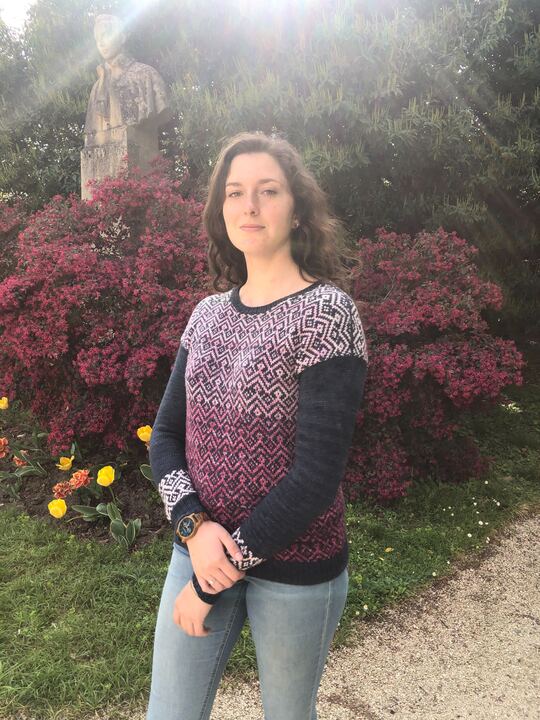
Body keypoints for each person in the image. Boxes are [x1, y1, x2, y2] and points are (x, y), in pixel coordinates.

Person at [146, 131, 369, 720]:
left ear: (296, 209)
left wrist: (214, 576)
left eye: (268, 191)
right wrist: (193, 528)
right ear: (221, 211)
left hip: (297, 569)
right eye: (235, 192)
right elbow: (165, 437)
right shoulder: (206, 316)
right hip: (200, 550)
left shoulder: (326, 314)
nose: (249, 205)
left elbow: (316, 476)